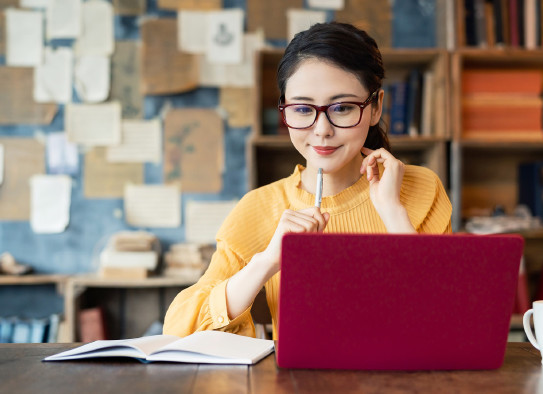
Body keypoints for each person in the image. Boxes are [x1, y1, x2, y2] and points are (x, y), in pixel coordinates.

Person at [164, 22, 452, 339]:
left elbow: (447, 320)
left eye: (342, 107)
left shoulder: (421, 189)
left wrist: (393, 213)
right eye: (302, 109)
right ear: (284, 111)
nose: (322, 130)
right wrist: (267, 262)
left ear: (375, 108)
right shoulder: (260, 208)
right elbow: (178, 329)